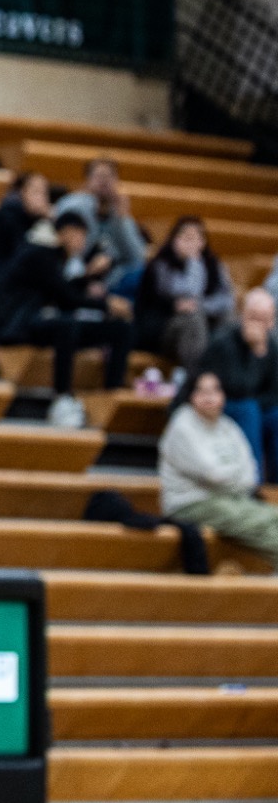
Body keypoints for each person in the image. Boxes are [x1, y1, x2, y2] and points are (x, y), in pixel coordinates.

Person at [0, 212, 134, 428]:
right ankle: (62, 396)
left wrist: (89, 276)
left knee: (121, 330)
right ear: (66, 233)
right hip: (15, 325)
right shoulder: (40, 253)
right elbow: (65, 298)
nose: (83, 243)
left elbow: (64, 294)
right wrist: (107, 304)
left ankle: (111, 391)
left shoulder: (56, 259)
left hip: (37, 320)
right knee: (67, 326)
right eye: (81, 236)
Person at [159, 370, 278, 567]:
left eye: (215, 391)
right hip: (192, 503)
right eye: (202, 391)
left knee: (273, 516)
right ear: (191, 395)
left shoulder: (227, 426)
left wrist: (234, 479)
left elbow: (250, 471)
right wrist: (236, 478)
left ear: (223, 396)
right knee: (263, 520)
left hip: (230, 498)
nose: (209, 397)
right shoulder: (182, 425)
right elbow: (212, 474)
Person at [197, 288, 278, 482]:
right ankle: (252, 482)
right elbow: (236, 388)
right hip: (219, 405)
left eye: (264, 319)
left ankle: (275, 486)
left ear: (272, 322)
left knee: (275, 417)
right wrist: (255, 352)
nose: (259, 325)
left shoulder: (272, 346)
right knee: (248, 410)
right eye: (254, 318)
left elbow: (275, 393)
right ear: (243, 316)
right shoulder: (224, 341)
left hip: (253, 406)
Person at [134, 215, 234, 373]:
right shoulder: (161, 265)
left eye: (196, 237)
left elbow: (227, 300)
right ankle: (197, 378)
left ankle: (229, 380)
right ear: (174, 239)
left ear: (204, 242)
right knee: (193, 319)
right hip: (165, 330)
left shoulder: (213, 264)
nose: (191, 242)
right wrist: (193, 262)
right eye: (186, 236)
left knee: (232, 320)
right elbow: (187, 293)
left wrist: (202, 305)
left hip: (206, 324)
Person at [53, 157, 149, 291]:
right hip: (75, 272)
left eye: (110, 176)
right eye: (99, 176)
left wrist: (123, 219)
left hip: (110, 279)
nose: (105, 182)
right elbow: (65, 249)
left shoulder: (117, 210)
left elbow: (137, 256)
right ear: (87, 179)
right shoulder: (72, 206)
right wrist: (87, 271)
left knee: (143, 275)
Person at [0, 170, 51, 302]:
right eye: (36, 192)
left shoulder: (32, 221)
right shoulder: (6, 216)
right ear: (20, 192)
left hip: (6, 284)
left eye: (44, 193)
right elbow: (22, 258)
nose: (42, 199)